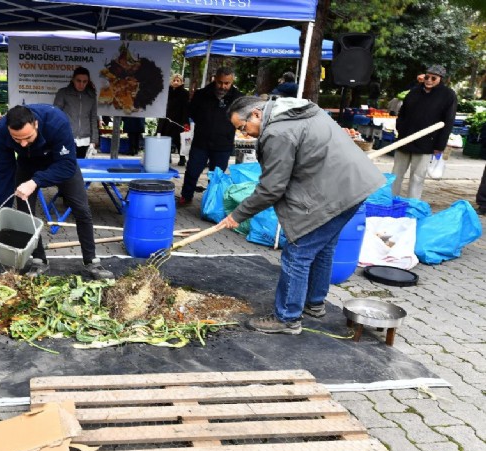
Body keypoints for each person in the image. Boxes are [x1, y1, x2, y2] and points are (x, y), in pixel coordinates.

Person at [218, 95, 384, 335]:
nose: (245, 134)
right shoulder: (300, 110)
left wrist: (237, 215)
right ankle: (315, 303)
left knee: (297, 253)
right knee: (324, 247)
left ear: (256, 114)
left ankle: (286, 317)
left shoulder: (277, 132)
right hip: (353, 187)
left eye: (243, 127)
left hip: (337, 192)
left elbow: (272, 188)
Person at [0, 104, 113, 280]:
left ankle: (91, 261)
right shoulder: (1, 131)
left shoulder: (57, 122)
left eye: (27, 137)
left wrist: (35, 182)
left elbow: (67, 165)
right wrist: (3, 207)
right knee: (26, 215)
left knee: (82, 209)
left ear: (36, 124)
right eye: (17, 140)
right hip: (27, 165)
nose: (23, 143)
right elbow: (4, 171)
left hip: (60, 164)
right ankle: (39, 260)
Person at [178, 67, 243, 206]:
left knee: (216, 176)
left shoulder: (238, 98)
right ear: (215, 79)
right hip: (201, 140)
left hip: (223, 143)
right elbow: (191, 112)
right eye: (220, 82)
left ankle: (211, 200)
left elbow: (241, 119)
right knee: (192, 170)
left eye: (227, 83)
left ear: (232, 82)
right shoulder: (202, 94)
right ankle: (186, 196)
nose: (223, 86)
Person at [392, 64, 457, 200]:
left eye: (434, 78)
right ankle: (389, 202)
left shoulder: (448, 95)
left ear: (440, 79)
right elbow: (402, 113)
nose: (429, 81)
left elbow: (448, 121)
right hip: (405, 139)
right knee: (395, 175)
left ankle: (413, 206)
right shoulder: (414, 91)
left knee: (417, 178)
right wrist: (400, 128)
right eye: (427, 77)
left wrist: (439, 146)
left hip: (427, 143)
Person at [53, 67, 99, 159]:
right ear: (73, 79)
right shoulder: (63, 93)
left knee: (81, 167)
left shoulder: (91, 96)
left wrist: (94, 140)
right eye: (78, 81)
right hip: (66, 137)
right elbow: (55, 116)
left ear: (88, 81)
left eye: (84, 81)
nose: (81, 84)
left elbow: (93, 118)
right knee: (66, 165)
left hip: (85, 139)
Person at [156, 74, 190, 166]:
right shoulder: (167, 91)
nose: (175, 82)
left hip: (179, 119)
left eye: (178, 80)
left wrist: (184, 122)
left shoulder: (184, 93)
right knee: (165, 138)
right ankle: (167, 158)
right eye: (174, 80)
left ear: (181, 82)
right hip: (167, 119)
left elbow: (185, 108)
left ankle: (182, 158)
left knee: (180, 140)